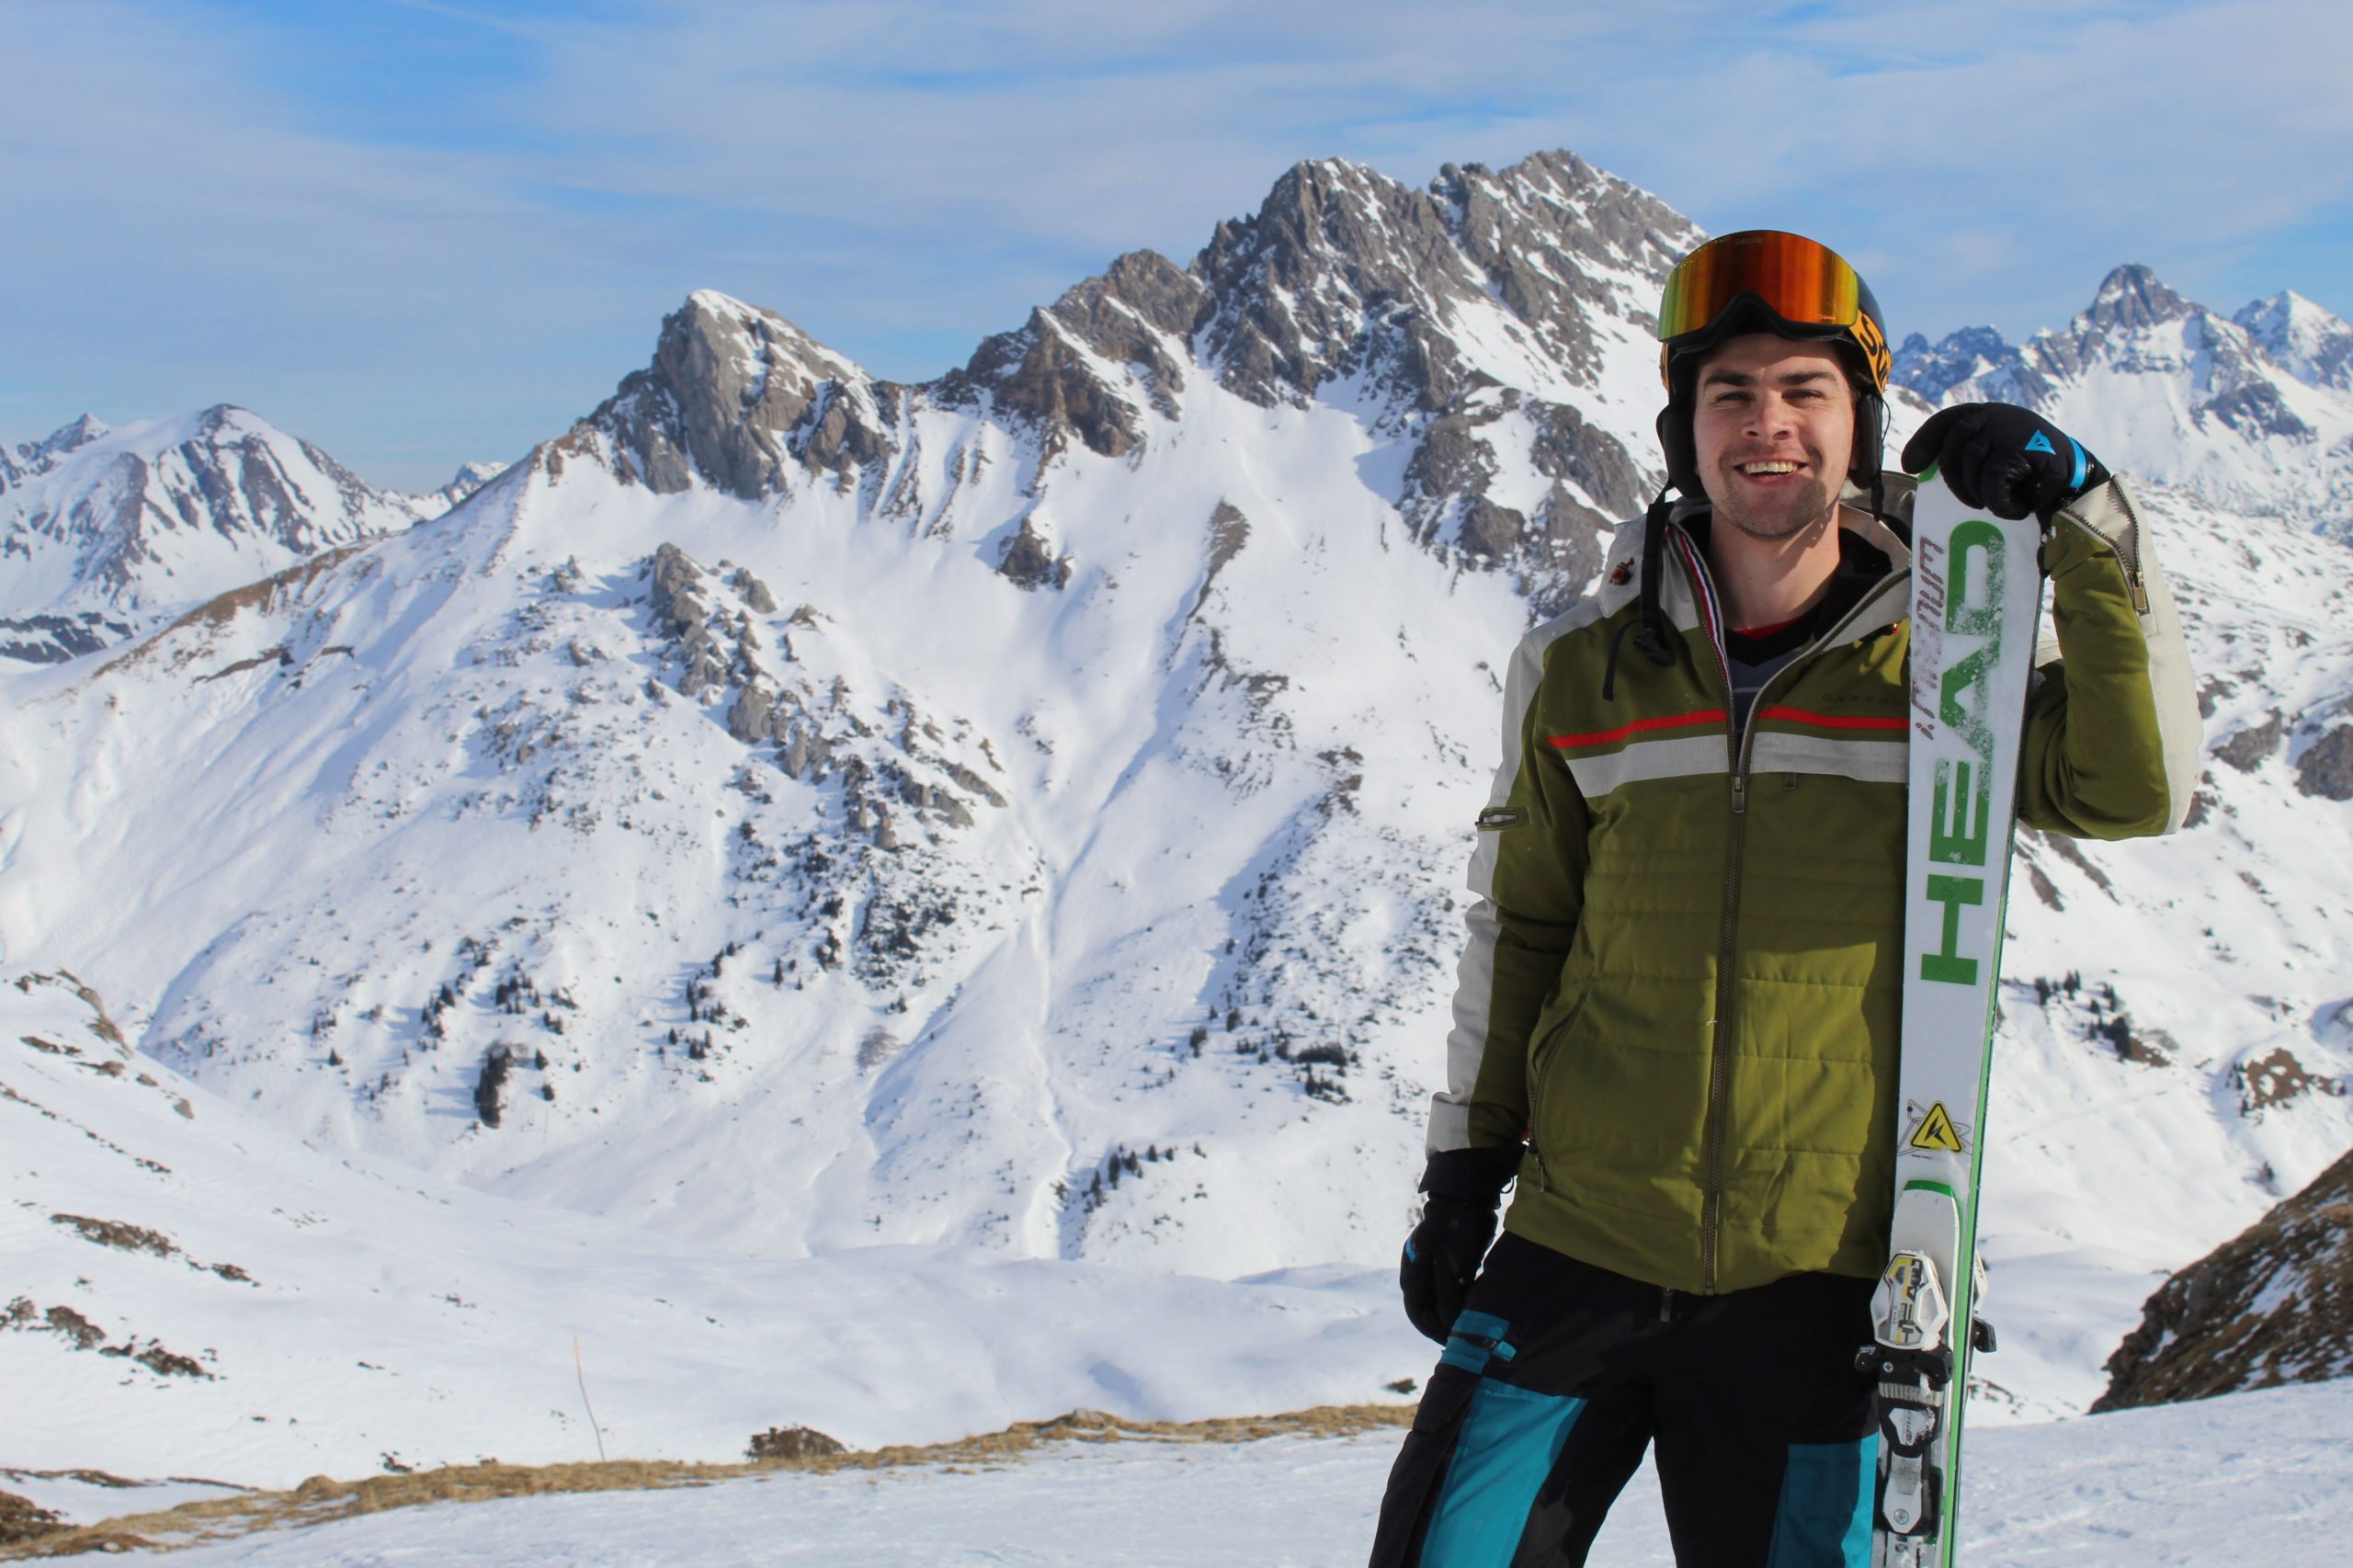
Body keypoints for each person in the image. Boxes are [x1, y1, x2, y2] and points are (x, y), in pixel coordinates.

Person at [1367, 230, 2199, 1566]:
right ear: (1683, 430)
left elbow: (2130, 786)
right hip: (1577, 1237)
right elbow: (1522, 926)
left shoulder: (1950, 670)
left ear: (1858, 425)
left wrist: (2089, 524)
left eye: (1806, 392)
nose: (1768, 426)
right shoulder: (1586, 668)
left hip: (1821, 1284)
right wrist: (1465, 1174)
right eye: (1731, 394)